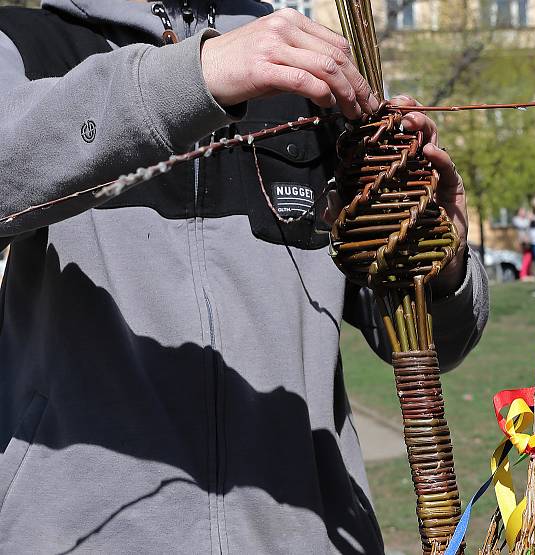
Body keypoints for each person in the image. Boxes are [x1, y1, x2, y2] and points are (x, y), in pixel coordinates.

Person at [0, 2, 489, 552]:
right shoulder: (23, 43)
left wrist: (436, 260)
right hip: (76, 535)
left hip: (301, 536)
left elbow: (430, 342)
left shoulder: (312, 71)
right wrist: (198, 77)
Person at [512, 206, 533, 280]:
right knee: (527, 256)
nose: (524, 212)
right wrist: (529, 219)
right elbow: (524, 225)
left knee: (529, 256)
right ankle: (523, 274)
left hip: (528, 240)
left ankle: (527, 273)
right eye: (522, 211)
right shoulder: (516, 219)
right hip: (523, 241)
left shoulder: (524, 219)